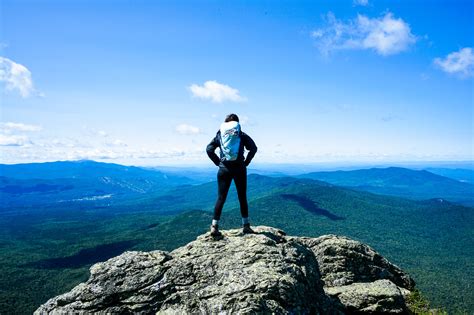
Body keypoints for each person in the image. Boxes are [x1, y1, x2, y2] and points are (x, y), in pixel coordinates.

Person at [206, 113, 258, 237]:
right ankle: (246, 226)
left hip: (224, 170)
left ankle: (214, 226)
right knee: (242, 197)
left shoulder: (220, 135)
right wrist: (246, 162)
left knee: (221, 198)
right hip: (239, 169)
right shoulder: (240, 135)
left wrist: (218, 162)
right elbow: (253, 148)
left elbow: (209, 149)